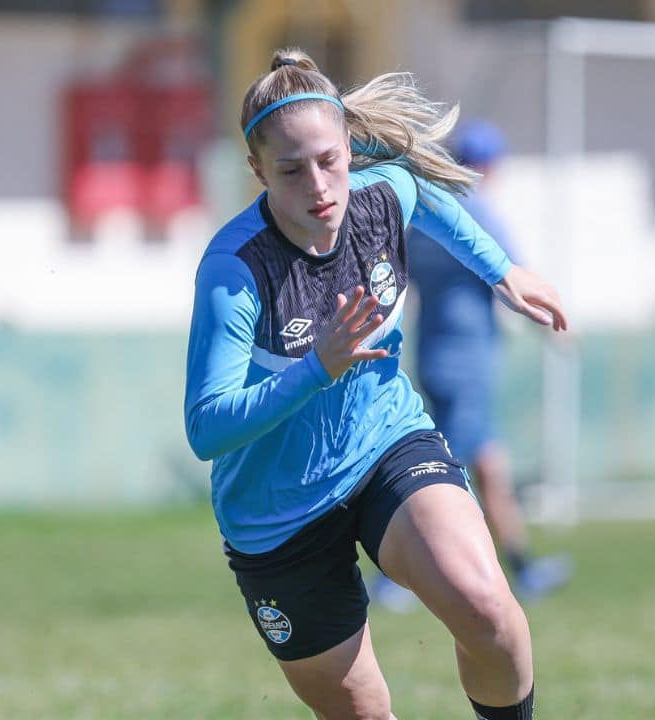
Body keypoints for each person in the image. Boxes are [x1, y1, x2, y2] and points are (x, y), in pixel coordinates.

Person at [184, 48, 567, 720]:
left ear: (348, 146)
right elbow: (207, 427)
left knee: (488, 611)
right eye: (291, 170)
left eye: (330, 160)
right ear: (256, 171)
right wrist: (315, 368)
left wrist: (503, 272)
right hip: (277, 513)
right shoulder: (235, 269)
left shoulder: (383, 193)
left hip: (384, 444)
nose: (320, 186)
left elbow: (434, 201)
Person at [370, 121, 570, 613]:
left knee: (489, 465)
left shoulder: (421, 219)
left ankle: (523, 566)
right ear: (489, 166)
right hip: (469, 358)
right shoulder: (474, 215)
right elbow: (510, 275)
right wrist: (556, 326)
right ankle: (397, 580)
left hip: (431, 350)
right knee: (440, 475)